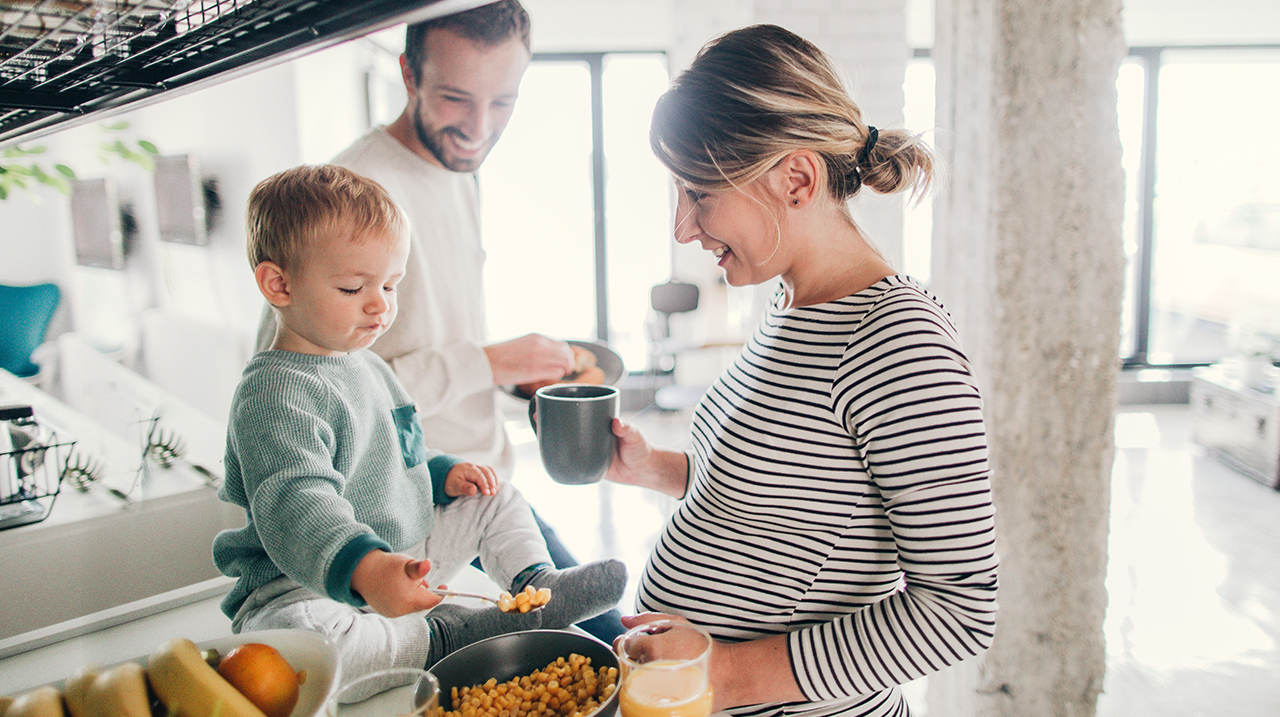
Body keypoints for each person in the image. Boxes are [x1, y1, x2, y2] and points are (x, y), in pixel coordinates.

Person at [604, 24, 999, 717]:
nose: (683, 227)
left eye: (698, 193)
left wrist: (719, 673)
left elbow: (960, 607)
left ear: (796, 177)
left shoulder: (899, 340)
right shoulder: (791, 305)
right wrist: (654, 468)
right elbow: (787, 500)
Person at [257, 0, 627, 642]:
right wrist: (486, 362)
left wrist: (511, 380)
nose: (479, 127)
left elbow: (422, 337)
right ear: (408, 74)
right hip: (401, 516)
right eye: (457, 98)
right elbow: (304, 381)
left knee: (605, 645)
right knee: (594, 649)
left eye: (502, 102)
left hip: (475, 482)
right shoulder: (355, 190)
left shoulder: (455, 171)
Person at [217, 164, 626, 701]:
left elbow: (401, 450)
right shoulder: (275, 392)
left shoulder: (368, 366)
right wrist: (365, 569)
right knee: (314, 646)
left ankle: (534, 585)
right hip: (302, 585)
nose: (380, 305)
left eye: (390, 285)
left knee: (495, 494)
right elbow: (297, 503)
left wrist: (442, 474)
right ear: (279, 284)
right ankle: (443, 636)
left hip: (399, 552)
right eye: (352, 287)